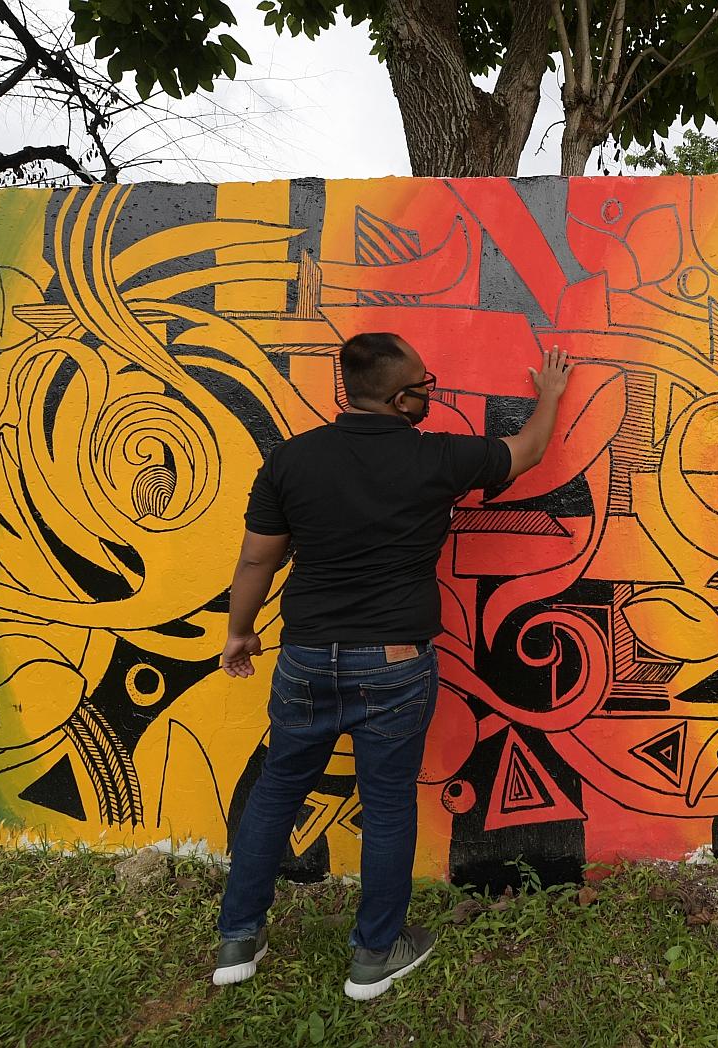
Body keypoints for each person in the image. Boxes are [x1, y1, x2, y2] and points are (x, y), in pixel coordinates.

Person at [211, 332, 573, 998]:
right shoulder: (435, 457)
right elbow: (525, 452)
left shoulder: (292, 458)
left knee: (277, 790)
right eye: (424, 385)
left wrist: (239, 632)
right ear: (402, 398)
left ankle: (238, 938)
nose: (430, 392)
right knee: (386, 806)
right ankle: (375, 953)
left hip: (306, 657)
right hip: (394, 664)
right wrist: (549, 395)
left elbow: (258, 557)